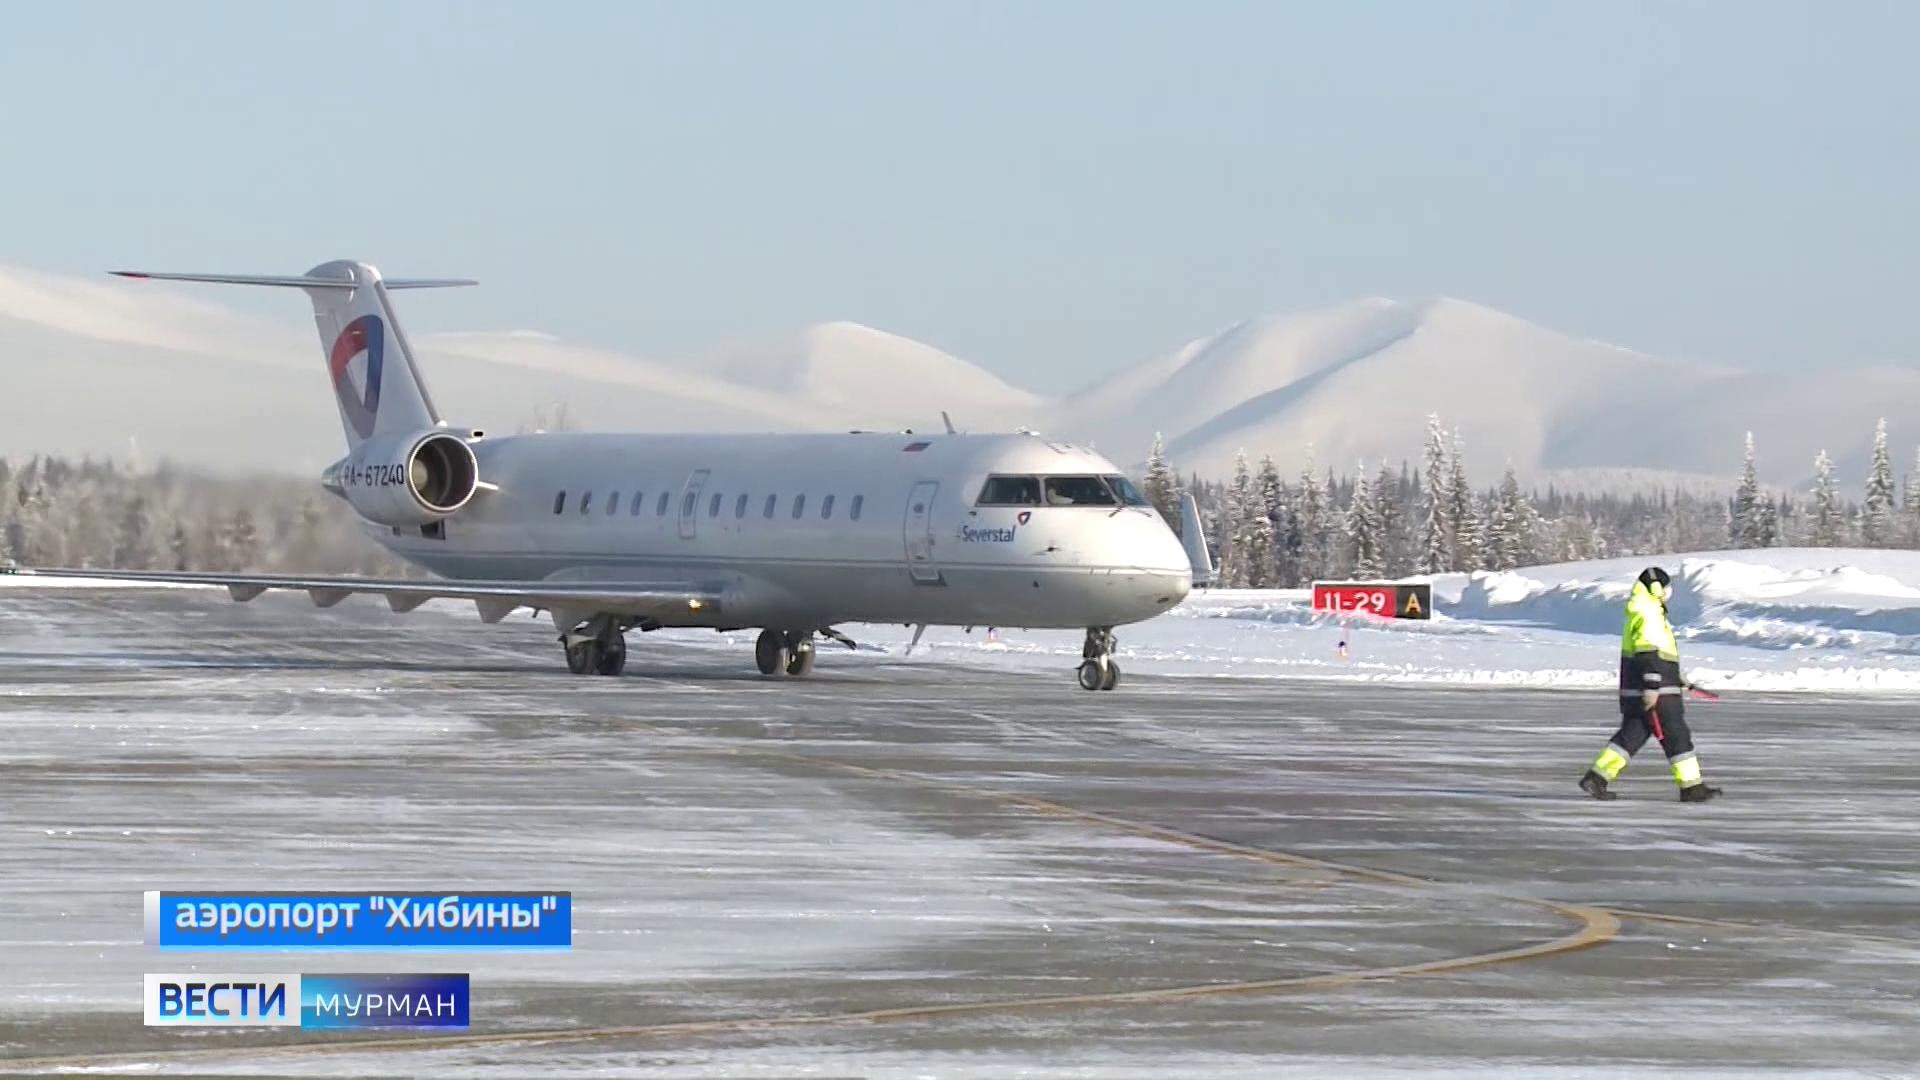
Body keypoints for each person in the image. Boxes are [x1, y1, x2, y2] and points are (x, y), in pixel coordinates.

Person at [1579, 566, 1722, 802]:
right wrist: (1653, 687)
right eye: (1666, 587)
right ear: (1657, 588)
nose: (1669, 592)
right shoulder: (1649, 613)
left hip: (1647, 687)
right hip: (1657, 692)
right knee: (1676, 735)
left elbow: (1659, 654)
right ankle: (1691, 787)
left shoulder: (1646, 610)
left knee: (1633, 734)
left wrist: (1677, 678)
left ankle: (1597, 777)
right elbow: (1647, 652)